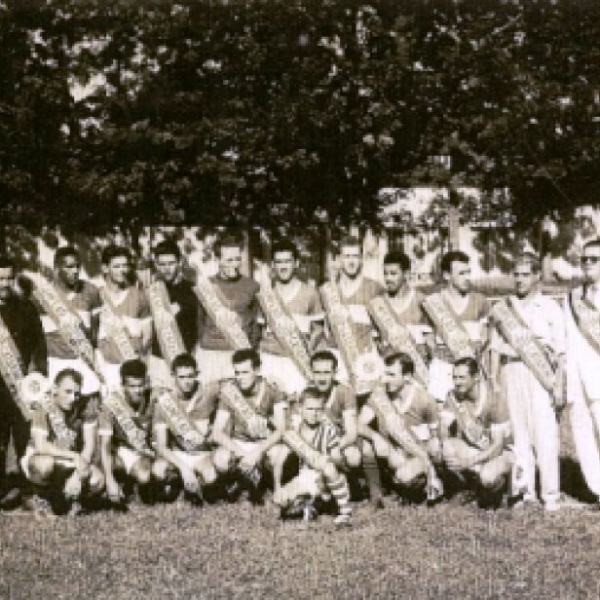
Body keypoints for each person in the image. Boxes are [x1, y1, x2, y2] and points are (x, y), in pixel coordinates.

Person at [490, 253, 565, 511]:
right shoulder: (504, 308)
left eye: (525, 274)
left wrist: (558, 384)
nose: (520, 280)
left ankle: (551, 496)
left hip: (540, 375)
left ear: (536, 276)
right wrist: (495, 382)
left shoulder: (550, 307)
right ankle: (524, 492)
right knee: (519, 435)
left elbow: (561, 352)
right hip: (511, 371)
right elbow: (495, 348)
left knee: (545, 435)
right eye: (516, 274)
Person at [358, 353, 442, 504]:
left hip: (422, 454)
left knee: (405, 475)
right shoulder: (380, 396)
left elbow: (437, 437)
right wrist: (375, 437)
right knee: (401, 472)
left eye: (391, 375)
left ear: (407, 376)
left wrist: (427, 457)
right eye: (385, 373)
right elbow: (358, 424)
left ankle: (432, 481)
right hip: (396, 455)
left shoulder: (424, 399)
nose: (385, 379)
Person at [210, 349, 288, 504]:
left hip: (263, 443)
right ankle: (245, 478)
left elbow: (281, 429)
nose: (240, 377)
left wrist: (257, 452)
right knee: (220, 459)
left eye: (245, 372)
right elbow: (217, 432)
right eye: (237, 372)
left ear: (257, 370)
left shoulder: (272, 389)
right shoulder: (230, 391)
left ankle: (261, 480)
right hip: (240, 443)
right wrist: (243, 454)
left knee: (277, 454)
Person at [21, 369, 104, 514]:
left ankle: (71, 498)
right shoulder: (43, 406)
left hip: (66, 458)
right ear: (55, 389)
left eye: (76, 393)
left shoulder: (83, 407)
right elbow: (41, 446)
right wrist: (74, 456)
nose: (73, 398)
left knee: (98, 480)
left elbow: (89, 444)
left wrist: (78, 475)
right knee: (44, 465)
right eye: (67, 391)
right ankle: (41, 497)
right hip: (40, 456)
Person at [0, 256, 47, 507]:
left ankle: (30, 490)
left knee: (23, 439)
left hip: (21, 386)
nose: (4, 283)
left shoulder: (25, 307)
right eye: (0, 278)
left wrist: (39, 378)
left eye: (8, 278)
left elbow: (40, 346)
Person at [439, 357, 513, 508]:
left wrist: (467, 463)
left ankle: (500, 489)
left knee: (488, 477)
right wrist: (445, 442)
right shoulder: (453, 396)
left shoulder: (494, 399)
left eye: (462, 377)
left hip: (504, 452)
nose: (457, 382)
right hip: (479, 450)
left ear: (476, 377)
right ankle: (469, 487)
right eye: (454, 377)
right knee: (445, 447)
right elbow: (443, 427)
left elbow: (498, 446)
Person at [274, 388, 353, 527]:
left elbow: (339, 461)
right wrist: (277, 488)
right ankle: (313, 505)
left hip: (327, 477)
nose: (314, 413)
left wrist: (327, 458)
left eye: (318, 409)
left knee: (328, 468)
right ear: (300, 408)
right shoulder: (294, 432)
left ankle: (344, 511)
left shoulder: (329, 430)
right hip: (306, 476)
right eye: (309, 409)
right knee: (281, 500)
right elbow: (278, 463)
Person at [258, 239, 324, 395]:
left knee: (297, 407)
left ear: (296, 263)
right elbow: (261, 329)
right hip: (269, 359)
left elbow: (319, 328)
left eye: (287, 261)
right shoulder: (266, 295)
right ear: (273, 265)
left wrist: (307, 347)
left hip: (296, 361)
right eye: (279, 262)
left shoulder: (310, 293)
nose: (283, 267)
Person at [422, 251, 490, 403]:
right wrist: (442, 356)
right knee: (442, 414)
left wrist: (471, 354)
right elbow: (428, 340)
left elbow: (485, 337)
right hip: (443, 369)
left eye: (468, 272)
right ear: (447, 275)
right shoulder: (433, 303)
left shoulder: (480, 302)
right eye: (461, 273)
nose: (467, 277)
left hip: (470, 368)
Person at [36, 246, 102, 396]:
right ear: (57, 268)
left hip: (84, 360)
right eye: (70, 266)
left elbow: (96, 331)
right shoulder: (42, 295)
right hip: (55, 361)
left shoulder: (91, 291)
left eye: (78, 266)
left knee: (88, 408)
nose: (76, 270)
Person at [152, 353, 217, 504]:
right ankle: (179, 479)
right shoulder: (164, 401)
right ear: (173, 376)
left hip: (201, 453)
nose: (187, 382)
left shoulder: (208, 393)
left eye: (190, 376)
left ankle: (196, 481)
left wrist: (269, 380)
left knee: (211, 478)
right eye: (181, 377)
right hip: (178, 453)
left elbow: (233, 385)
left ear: (197, 374)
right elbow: (161, 446)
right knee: (158, 470)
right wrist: (183, 468)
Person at [320, 235, 383, 387]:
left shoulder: (375, 288)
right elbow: (323, 328)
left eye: (355, 256)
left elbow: (381, 329)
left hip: (365, 356)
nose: (351, 261)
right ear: (339, 259)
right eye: (347, 256)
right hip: (337, 357)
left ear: (361, 259)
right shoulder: (326, 290)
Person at [565, 239, 600, 506]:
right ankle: (597, 489)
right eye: (584, 259)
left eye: (594, 259)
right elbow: (568, 340)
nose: (588, 264)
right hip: (578, 377)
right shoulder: (572, 297)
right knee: (582, 433)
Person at [196, 235, 260, 384]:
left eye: (237, 259)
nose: (235, 264)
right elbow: (199, 322)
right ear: (218, 260)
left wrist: (251, 352)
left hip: (238, 355)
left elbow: (256, 325)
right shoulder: (206, 286)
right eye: (229, 260)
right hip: (210, 354)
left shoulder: (252, 286)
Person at [98, 359, 156, 506]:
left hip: (144, 450)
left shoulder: (153, 398)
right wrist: (109, 480)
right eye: (132, 386)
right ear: (123, 386)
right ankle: (114, 484)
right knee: (108, 461)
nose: (138, 390)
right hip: (120, 450)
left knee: (145, 476)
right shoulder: (110, 404)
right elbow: (105, 445)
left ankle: (134, 484)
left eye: (141, 385)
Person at [368, 251, 430, 387]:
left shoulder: (421, 300)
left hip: (416, 374)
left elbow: (430, 341)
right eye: (385, 273)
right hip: (388, 371)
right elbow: (374, 341)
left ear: (406, 274)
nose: (388, 278)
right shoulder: (377, 304)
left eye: (393, 273)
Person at [96, 246, 152, 387]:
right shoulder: (97, 296)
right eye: (116, 266)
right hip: (106, 366)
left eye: (125, 265)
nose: (122, 270)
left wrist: (139, 360)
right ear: (105, 268)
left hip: (131, 366)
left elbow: (148, 334)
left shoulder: (138, 296)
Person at [147, 240, 200, 386]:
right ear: (156, 265)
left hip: (186, 359)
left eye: (171, 263)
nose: (166, 269)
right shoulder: (152, 292)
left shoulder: (192, 290)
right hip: (159, 359)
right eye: (162, 264)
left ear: (179, 262)